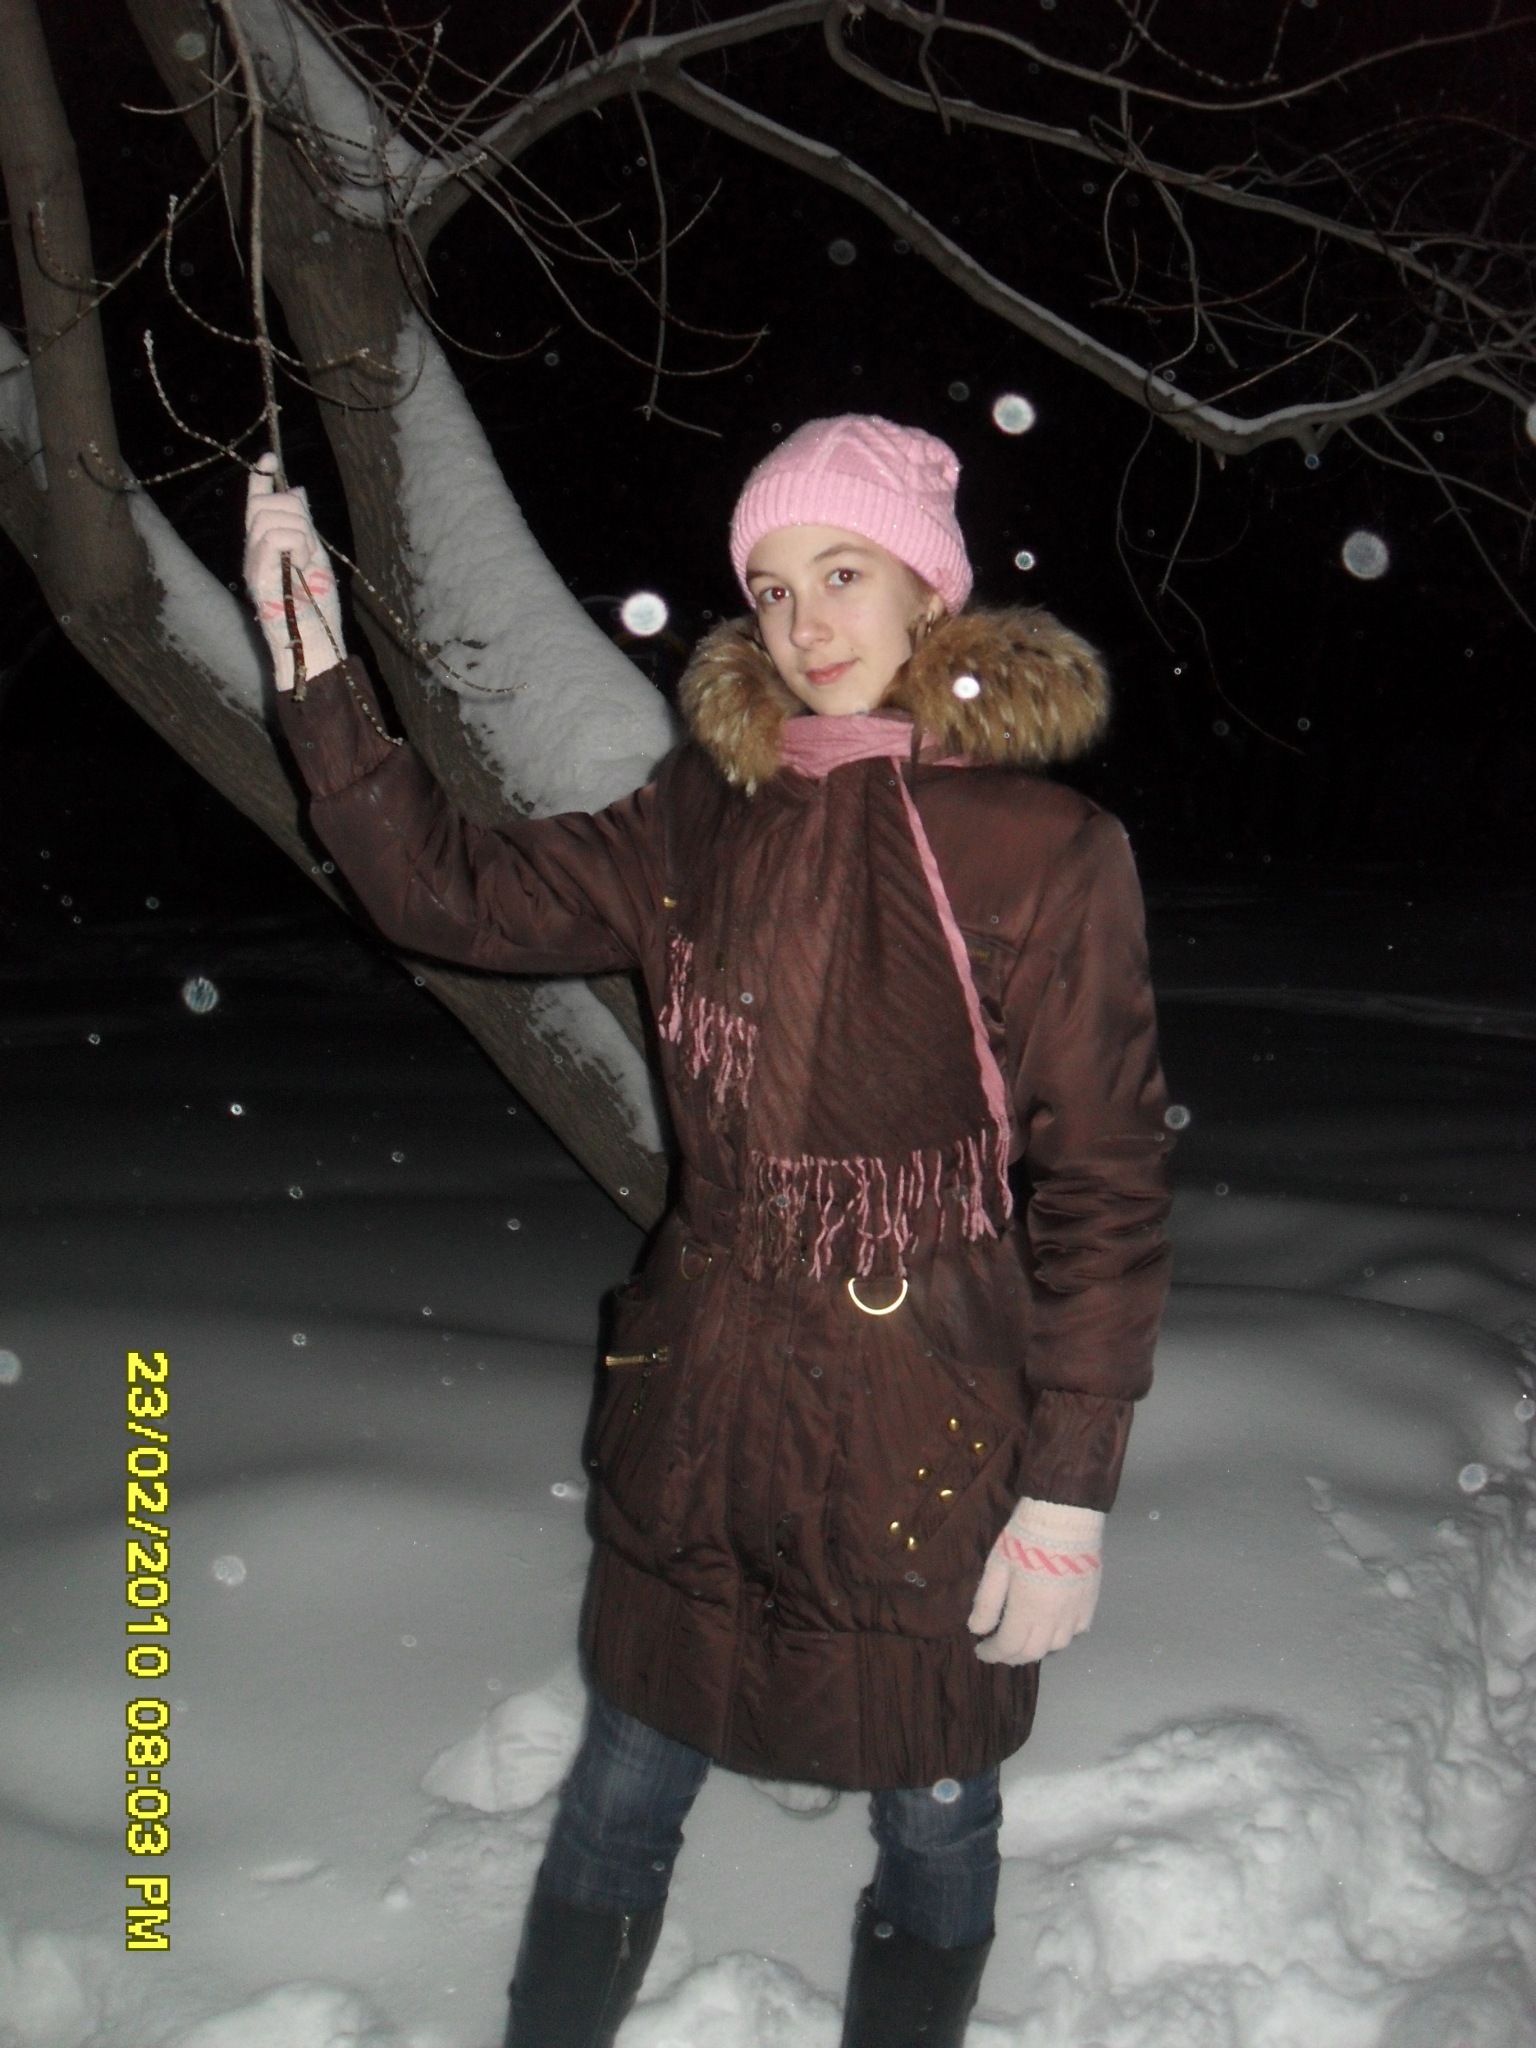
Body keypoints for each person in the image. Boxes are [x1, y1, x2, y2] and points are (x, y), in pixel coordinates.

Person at [243, 415, 1173, 2048]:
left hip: (918, 1429)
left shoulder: (1044, 850)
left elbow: (1106, 1181)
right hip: (706, 1411)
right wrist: (319, 676)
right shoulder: (701, 813)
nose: (805, 621)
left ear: (929, 588)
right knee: (622, 1780)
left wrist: (1068, 1491)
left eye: (842, 572)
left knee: (937, 1807)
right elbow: (447, 896)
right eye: (771, 586)